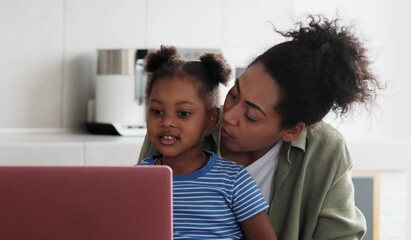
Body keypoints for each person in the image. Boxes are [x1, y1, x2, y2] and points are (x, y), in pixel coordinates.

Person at [139, 15, 383, 239]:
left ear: (291, 131)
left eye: (252, 115)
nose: (230, 116)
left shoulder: (325, 151)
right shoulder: (178, 128)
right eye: (234, 94)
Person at [138, 46, 276, 239]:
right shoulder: (138, 178)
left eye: (183, 114)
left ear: (211, 118)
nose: (167, 122)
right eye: (156, 111)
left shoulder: (234, 180)